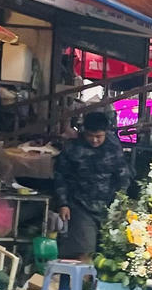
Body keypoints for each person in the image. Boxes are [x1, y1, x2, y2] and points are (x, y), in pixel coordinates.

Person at [52, 111, 134, 262]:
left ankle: (97, 284)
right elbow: (60, 176)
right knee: (84, 251)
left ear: (106, 132)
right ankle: (83, 283)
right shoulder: (72, 147)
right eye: (91, 136)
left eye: (99, 136)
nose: (95, 140)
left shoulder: (113, 147)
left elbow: (123, 176)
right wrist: (63, 204)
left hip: (109, 208)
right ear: (84, 131)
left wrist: (120, 203)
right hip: (81, 205)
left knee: (108, 254)